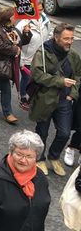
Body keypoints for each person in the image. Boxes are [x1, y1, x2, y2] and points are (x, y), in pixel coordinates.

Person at [30, 23, 81, 176]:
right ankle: (39, 159)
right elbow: (38, 75)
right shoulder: (43, 53)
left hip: (64, 101)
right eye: (66, 38)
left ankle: (54, 156)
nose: (70, 42)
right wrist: (60, 81)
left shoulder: (73, 56)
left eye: (71, 38)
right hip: (44, 99)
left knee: (64, 133)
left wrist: (72, 94)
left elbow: (78, 76)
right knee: (42, 133)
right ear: (56, 37)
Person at [0, 7, 31, 125]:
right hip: (0, 64)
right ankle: (8, 113)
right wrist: (14, 50)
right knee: (5, 88)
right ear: (10, 18)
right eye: (15, 16)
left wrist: (26, 32)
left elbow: (22, 42)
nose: (16, 18)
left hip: (10, 65)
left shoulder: (13, 29)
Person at [16, 1, 51, 108]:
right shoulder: (24, 23)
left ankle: (31, 97)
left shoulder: (46, 22)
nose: (39, 11)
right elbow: (17, 41)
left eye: (41, 9)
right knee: (26, 78)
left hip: (39, 57)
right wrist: (20, 60)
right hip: (25, 57)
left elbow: (48, 36)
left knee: (36, 79)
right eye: (37, 9)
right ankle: (23, 97)